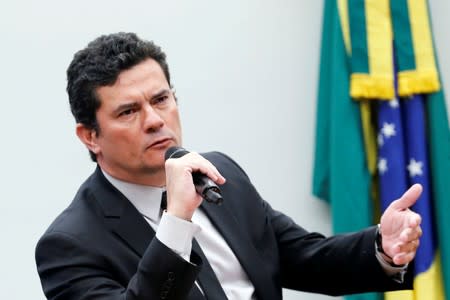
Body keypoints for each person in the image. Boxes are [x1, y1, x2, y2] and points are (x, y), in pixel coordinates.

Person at [35, 32, 422, 300]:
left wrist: (382, 248)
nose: (155, 120)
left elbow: (303, 258)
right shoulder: (69, 246)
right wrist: (177, 223)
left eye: (161, 99)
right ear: (90, 136)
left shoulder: (220, 175)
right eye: (128, 111)